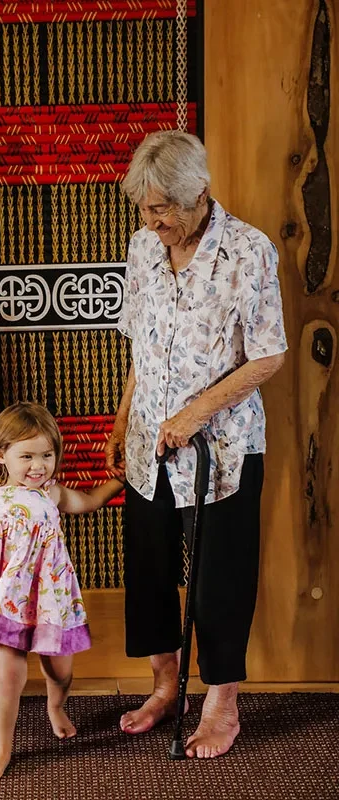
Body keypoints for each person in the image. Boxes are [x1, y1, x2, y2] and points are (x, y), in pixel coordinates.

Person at [105, 130, 287, 759]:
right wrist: (125, 415)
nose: (153, 222)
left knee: (218, 581)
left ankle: (221, 704)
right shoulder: (143, 247)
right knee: (150, 572)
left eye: (165, 209)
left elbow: (267, 355)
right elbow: (140, 343)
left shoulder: (247, 250)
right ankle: (165, 686)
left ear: (201, 194)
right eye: (145, 209)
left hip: (223, 449)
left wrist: (196, 412)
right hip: (147, 444)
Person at [0, 402, 124, 782]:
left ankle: (56, 706)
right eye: (27, 456)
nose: (38, 466)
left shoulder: (53, 494)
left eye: (46, 455)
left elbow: (88, 502)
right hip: (5, 600)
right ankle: (1, 749)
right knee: (8, 674)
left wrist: (120, 480)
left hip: (48, 599)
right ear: (1, 456)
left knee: (60, 670)